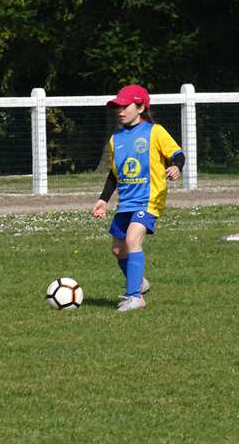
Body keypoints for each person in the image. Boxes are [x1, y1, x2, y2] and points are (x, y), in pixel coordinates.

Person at [92, 84, 184, 312]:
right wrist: (103, 200)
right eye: (118, 107)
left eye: (126, 106)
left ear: (141, 107)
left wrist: (176, 166)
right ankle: (139, 281)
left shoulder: (155, 131)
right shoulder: (116, 138)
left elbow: (177, 153)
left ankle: (135, 297)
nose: (120, 110)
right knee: (118, 250)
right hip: (126, 202)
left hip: (149, 199)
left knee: (133, 239)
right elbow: (114, 174)